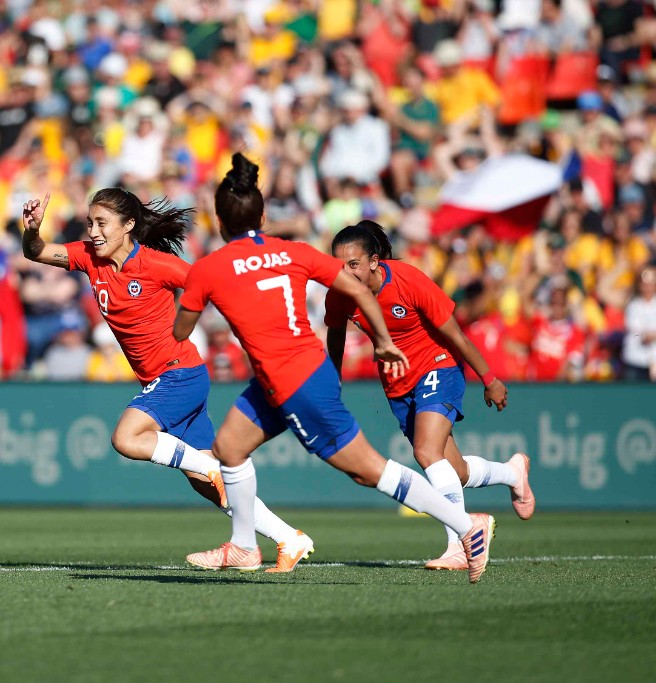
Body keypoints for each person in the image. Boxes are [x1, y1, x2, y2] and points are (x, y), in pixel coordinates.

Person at [174, 154, 496, 583]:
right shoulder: (293, 251)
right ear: (264, 216)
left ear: (218, 220)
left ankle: (465, 525)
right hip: (291, 374)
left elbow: (180, 331)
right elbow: (358, 292)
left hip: (296, 381)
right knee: (230, 448)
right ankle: (245, 546)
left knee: (369, 471)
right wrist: (382, 339)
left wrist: (192, 299)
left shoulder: (208, 268)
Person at [22, 187, 315, 573]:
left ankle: (213, 475)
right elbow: (35, 251)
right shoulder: (88, 257)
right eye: (91, 222)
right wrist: (31, 229)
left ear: (128, 226)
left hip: (180, 374)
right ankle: (287, 539)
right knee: (211, 484)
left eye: (102, 223)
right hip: (166, 379)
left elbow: (210, 285)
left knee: (126, 438)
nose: (93, 231)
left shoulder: (158, 265)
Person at [325, 220, 535, 570]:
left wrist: (489, 378)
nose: (344, 271)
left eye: (353, 264)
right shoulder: (340, 294)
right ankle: (513, 474)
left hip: (438, 366)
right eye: (339, 264)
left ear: (375, 262)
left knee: (425, 451)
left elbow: (456, 335)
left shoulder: (407, 280)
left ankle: (460, 541)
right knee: (456, 470)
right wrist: (333, 381)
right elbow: (335, 335)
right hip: (397, 384)